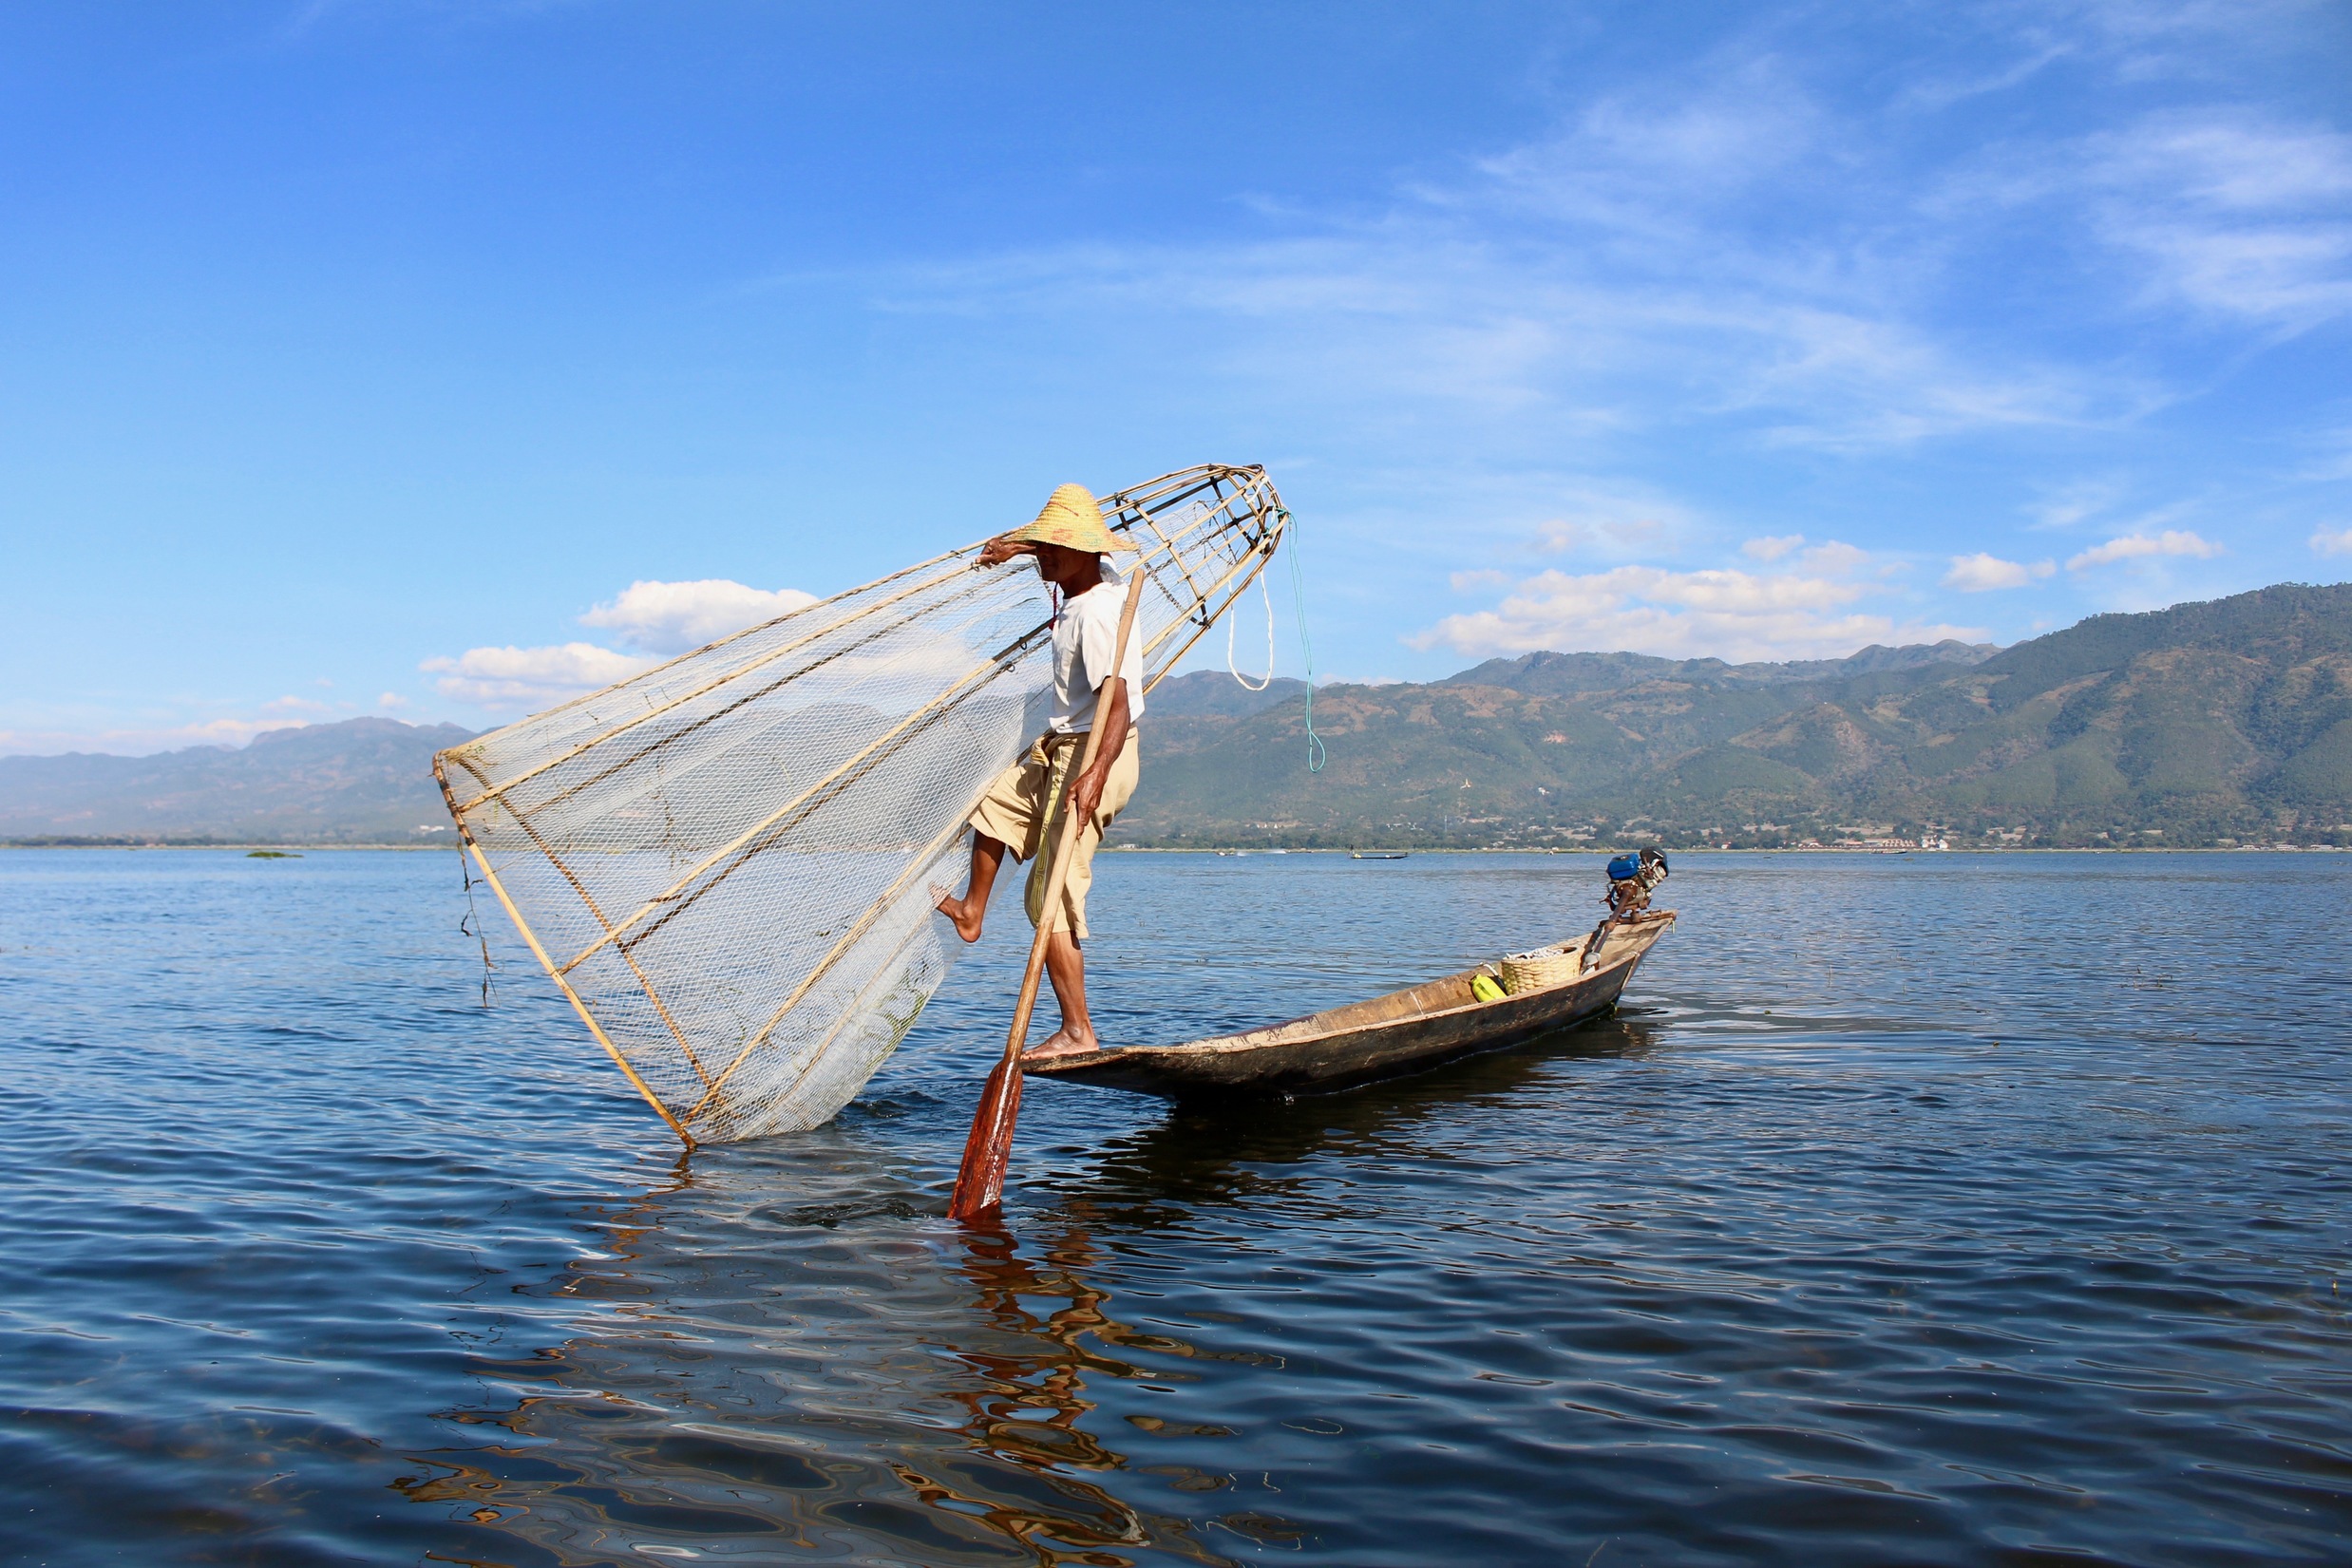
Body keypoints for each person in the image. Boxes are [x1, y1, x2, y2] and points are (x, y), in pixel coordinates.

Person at [936, 482, 1146, 1061]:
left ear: (1085, 554)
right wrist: (1017, 549)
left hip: (1097, 749)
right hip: (1064, 744)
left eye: (1053, 548)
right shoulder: (1084, 588)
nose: (1045, 555)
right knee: (995, 808)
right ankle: (973, 911)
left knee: (1049, 894)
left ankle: (1078, 1030)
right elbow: (1060, 557)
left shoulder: (1100, 615)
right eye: (1042, 547)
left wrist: (1095, 773)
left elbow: (1118, 702)